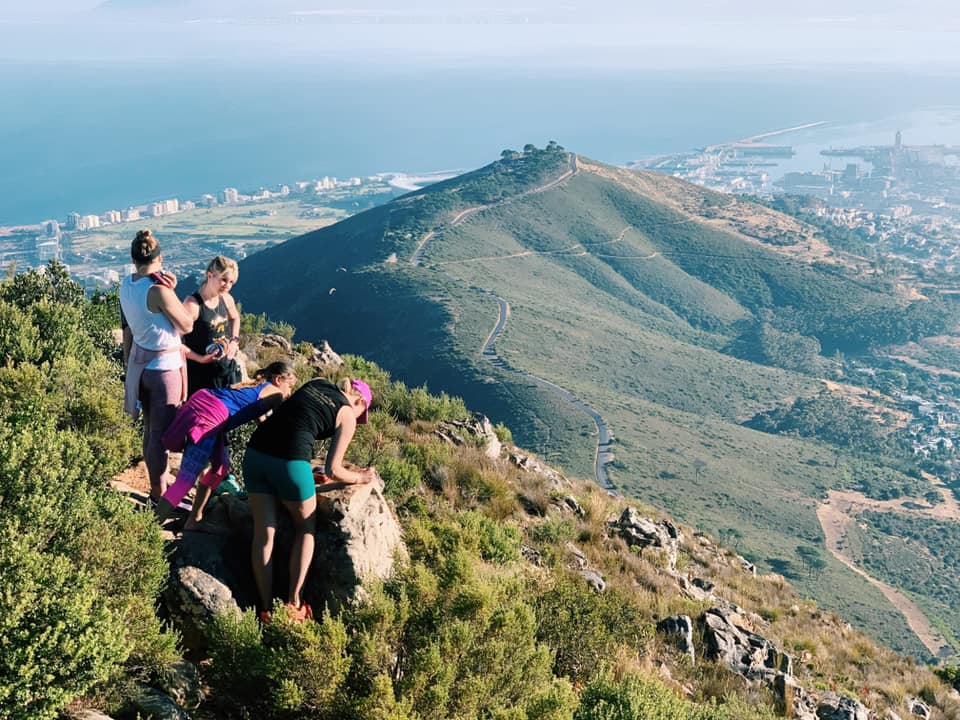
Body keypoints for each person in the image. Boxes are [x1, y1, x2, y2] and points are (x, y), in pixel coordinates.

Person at [243, 377, 375, 622]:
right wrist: (360, 478)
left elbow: (295, 419)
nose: (358, 419)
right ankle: (294, 605)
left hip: (255, 455)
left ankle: (264, 609)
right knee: (305, 529)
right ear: (359, 401)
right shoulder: (347, 415)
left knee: (264, 533)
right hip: (291, 464)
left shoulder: (317, 381)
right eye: (361, 413)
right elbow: (334, 469)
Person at [154, 360, 298, 529]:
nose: (290, 392)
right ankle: (147, 529)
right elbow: (281, 425)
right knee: (185, 480)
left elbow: (261, 420)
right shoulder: (276, 394)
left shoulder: (257, 386)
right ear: (279, 380)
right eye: (290, 386)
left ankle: (194, 519)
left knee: (220, 467)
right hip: (211, 416)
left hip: (207, 406)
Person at [120, 229, 194, 503]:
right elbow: (186, 324)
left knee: (150, 429)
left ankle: (157, 489)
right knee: (161, 437)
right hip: (165, 369)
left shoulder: (126, 284)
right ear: (159, 257)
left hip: (140, 366)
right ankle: (159, 494)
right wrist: (172, 292)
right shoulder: (159, 290)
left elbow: (129, 326)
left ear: (134, 260)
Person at [181, 256, 242, 397]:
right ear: (210, 275)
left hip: (224, 369)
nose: (227, 285)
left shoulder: (226, 299)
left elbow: (235, 318)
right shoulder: (193, 305)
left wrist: (234, 340)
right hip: (200, 375)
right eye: (223, 279)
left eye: (231, 282)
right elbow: (175, 342)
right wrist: (200, 358)